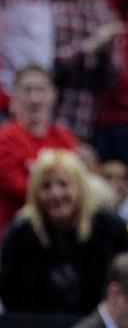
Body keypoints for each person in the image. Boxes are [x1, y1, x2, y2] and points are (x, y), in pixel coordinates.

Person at [0, 149, 128, 313]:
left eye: (63, 184)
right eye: (46, 186)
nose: (55, 194)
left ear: (80, 188)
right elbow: (10, 293)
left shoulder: (110, 226)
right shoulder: (20, 232)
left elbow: (125, 282)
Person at [0, 66, 77, 232]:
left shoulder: (64, 137)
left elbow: (77, 181)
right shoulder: (5, 139)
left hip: (59, 230)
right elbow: (17, 188)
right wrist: (61, 192)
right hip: (15, 232)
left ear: (53, 95)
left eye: (41, 90)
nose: (35, 99)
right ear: (14, 96)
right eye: (27, 90)